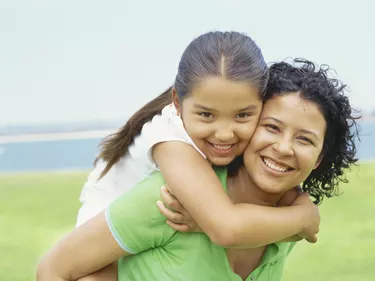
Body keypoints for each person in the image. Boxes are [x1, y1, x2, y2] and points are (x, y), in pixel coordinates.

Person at [37, 59, 359, 281]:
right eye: (272, 128)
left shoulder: (283, 222)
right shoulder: (169, 198)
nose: (285, 147)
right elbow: (53, 269)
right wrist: (305, 219)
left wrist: (300, 216)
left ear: (319, 158)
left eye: (305, 139)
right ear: (249, 125)